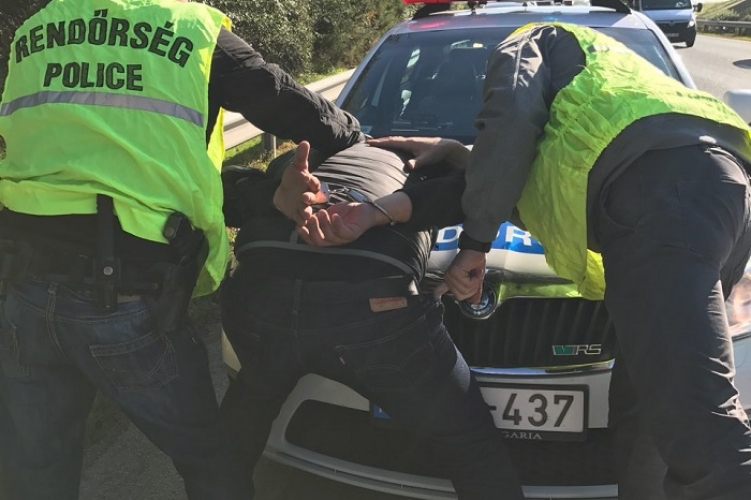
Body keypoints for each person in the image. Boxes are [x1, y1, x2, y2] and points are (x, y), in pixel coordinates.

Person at [369, 22, 751, 500]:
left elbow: (511, 119)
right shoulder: (601, 69)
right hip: (711, 191)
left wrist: (476, 242)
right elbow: (539, 152)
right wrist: (459, 153)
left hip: (663, 196)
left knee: (701, 427)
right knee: (649, 409)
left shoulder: (528, 39)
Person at [0, 0, 362, 499]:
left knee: (37, 468)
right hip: (124, 294)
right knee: (209, 458)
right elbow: (280, 98)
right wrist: (353, 135)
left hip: (23, 291)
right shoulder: (188, 28)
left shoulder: (35, 31)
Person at [219, 140, 525, 500]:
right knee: (468, 440)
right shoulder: (431, 167)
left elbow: (233, 191)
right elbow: (485, 188)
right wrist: (450, 153)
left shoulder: (323, 153)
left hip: (259, 289)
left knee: (247, 410)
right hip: (370, 306)